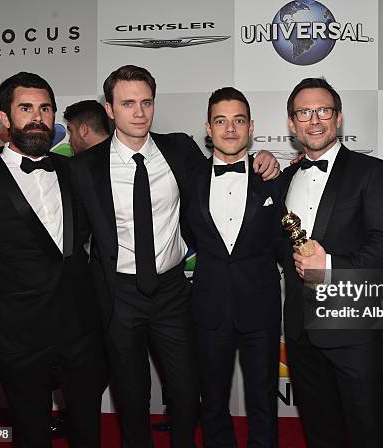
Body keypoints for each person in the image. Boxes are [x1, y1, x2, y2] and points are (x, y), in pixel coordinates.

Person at [70, 65, 279, 448]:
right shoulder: (84, 168)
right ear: (110, 109)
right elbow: (68, 236)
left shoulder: (179, 149)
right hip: (118, 294)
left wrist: (263, 156)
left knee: (186, 393)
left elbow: (228, 173)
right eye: (128, 103)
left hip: (172, 292)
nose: (139, 112)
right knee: (131, 397)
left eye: (146, 102)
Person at [0, 72, 106, 447]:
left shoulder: (76, 172)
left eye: (45, 108)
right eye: (26, 108)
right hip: (18, 338)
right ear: (4, 118)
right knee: (31, 435)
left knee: (89, 432)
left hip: (82, 331)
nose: (37, 116)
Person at [280, 77, 383, 448]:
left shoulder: (372, 172)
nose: (314, 120)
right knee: (320, 433)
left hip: (352, 330)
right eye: (304, 112)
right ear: (291, 123)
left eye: (323, 111)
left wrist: (329, 264)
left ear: (339, 118)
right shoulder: (282, 179)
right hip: (300, 331)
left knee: (367, 433)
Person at [185, 87, 283, 447]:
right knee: (211, 402)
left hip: (260, 305)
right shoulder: (189, 180)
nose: (229, 129)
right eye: (220, 121)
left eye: (238, 120)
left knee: (263, 400)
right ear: (208, 129)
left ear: (251, 127)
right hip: (209, 306)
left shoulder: (273, 177)